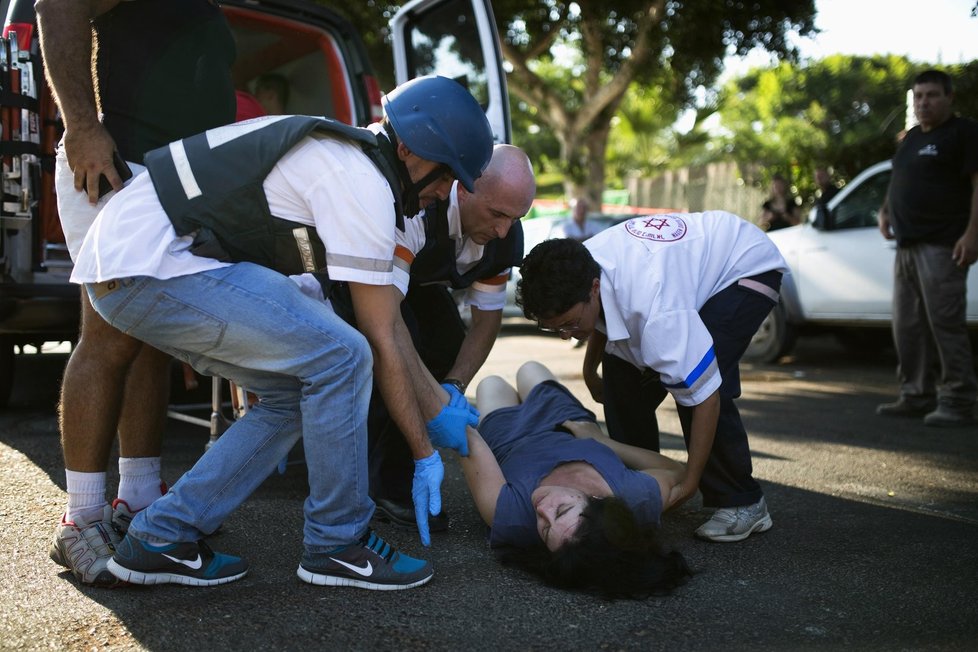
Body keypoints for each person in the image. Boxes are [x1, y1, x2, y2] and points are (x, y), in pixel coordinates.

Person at [67, 75, 494, 588]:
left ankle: (163, 534)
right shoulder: (362, 181)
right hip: (147, 266)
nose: (446, 192)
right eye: (447, 176)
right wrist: (425, 452)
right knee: (343, 356)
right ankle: (337, 543)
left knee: (301, 383)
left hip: (144, 264)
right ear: (407, 148)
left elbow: (384, 328)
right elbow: (381, 336)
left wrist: (431, 426)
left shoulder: (354, 164)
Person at [36, 0, 237, 587]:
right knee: (108, 337)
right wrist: (82, 126)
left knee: (148, 339)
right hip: (118, 167)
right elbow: (60, 7)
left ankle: (140, 500)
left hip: (165, 181)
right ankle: (81, 519)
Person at [517, 211, 788, 543]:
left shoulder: (657, 312)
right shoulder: (582, 266)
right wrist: (590, 372)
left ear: (594, 288)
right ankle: (646, 482)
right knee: (621, 381)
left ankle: (743, 500)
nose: (565, 335)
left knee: (697, 379)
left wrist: (688, 484)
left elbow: (706, 399)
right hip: (684, 273)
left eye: (569, 323)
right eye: (555, 328)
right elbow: (605, 316)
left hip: (743, 267)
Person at [331, 145, 536, 531]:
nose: (503, 230)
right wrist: (431, 405)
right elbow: (388, 323)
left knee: (447, 341)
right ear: (463, 189)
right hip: (366, 282)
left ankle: (405, 459)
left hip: (420, 287)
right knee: (390, 356)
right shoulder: (419, 208)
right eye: (497, 214)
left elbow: (485, 322)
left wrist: (453, 387)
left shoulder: (505, 235)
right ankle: (383, 482)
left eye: (516, 218)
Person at [452, 360, 690, 597]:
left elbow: (461, 430)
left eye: (545, 531)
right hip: (564, 421)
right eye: (562, 510)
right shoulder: (634, 496)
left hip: (508, 437)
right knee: (529, 368)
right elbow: (676, 472)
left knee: (490, 383)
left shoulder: (511, 515)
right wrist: (603, 441)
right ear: (598, 500)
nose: (542, 509)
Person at [876, 69, 978, 427]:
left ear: (949, 97)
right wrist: (886, 210)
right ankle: (916, 394)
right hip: (906, 246)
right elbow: (898, 178)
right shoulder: (911, 137)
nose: (923, 102)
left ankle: (959, 400)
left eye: (932, 95)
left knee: (944, 324)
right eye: (918, 96)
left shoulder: (964, 133)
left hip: (943, 245)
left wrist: (973, 234)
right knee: (907, 326)